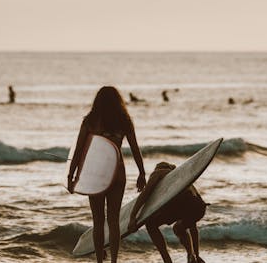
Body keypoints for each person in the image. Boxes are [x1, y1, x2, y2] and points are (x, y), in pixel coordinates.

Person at [67, 86, 146, 263]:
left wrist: (71, 177)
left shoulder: (91, 120)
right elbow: (135, 149)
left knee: (98, 222)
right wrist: (142, 172)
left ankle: (100, 261)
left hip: (96, 174)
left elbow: (79, 150)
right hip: (117, 173)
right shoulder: (124, 120)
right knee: (113, 220)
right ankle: (114, 261)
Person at [128, 162, 207, 263]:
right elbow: (193, 226)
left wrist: (132, 216)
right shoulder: (185, 179)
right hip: (199, 208)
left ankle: (167, 260)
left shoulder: (159, 172)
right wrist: (197, 254)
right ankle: (191, 256)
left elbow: (145, 194)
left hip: (183, 204)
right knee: (179, 227)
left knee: (151, 223)